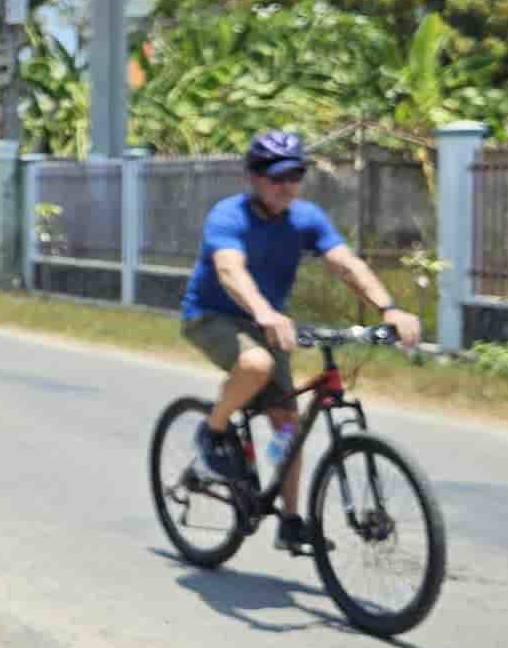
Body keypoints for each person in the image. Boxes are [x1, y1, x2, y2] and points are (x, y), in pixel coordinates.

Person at [180, 129, 422, 552]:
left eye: (294, 175)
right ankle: (213, 430)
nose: (285, 185)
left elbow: (346, 264)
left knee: (287, 427)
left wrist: (390, 309)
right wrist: (265, 312)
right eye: (275, 176)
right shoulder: (229, 216)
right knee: (256, 365)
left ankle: (291, 520)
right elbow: (230, 271)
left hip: (270, 321)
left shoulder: (305, 218)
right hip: (212, 316)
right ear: (253, 177)